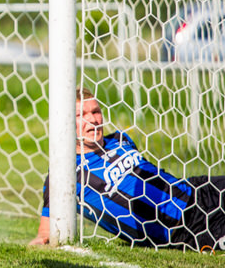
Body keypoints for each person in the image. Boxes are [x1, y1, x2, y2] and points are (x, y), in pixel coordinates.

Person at [29, 87, 225, 251]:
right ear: (65, 123)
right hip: (187, 229)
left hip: (200, 190)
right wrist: (41, 240)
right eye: (81, 115)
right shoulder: (66, 174)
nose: (93, 120)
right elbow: (45, 233)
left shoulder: (119, 139)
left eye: (96, 112)